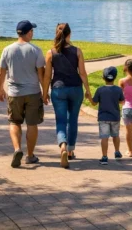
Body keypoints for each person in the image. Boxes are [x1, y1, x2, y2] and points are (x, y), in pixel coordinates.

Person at [42, 23, 91, 168]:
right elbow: (82, 73)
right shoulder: (77, 51)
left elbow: (47, 76)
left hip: (58, 90)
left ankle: (62, 145)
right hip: (76, 89)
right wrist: (88, 90)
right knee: (73, 120)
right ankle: (70, 151)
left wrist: (44, 93)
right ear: (70, 33)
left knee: (61, 120)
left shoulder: (51, 52)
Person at [0, 20, 46, 168]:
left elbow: (1, 72)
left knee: (14, 122)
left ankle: (17, 149)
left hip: (14, 93)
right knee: (32, 124)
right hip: (33, 92)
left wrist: (0, 88)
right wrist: (45, 93)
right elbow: (41, 74)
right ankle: (30, 156)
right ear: (29, 32)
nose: (33, 33)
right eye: (32, 31)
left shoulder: (7, 50)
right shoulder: (36, 50)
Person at [91, 66, 124, 165]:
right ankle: (117, 151)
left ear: (103, 78)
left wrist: (88, 97)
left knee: (104, 137)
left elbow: (94, 103)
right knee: (115, 135)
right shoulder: (118, 90)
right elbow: (122, 101)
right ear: (115, 77)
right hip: (115, 117)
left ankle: (104, 157)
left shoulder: (100, 90)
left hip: (103, 118)